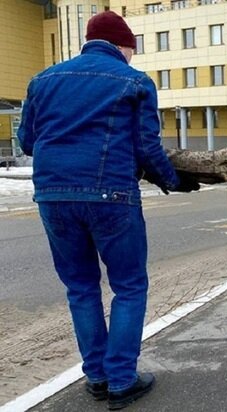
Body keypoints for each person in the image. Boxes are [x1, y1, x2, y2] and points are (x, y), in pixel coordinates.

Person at [17, 11, 199, 410]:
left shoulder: (42, 80)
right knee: (129, 286)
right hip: (110, 195)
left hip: (52, 196)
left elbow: (28, 141)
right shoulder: (134, 81)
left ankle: (97, 376)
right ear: (122, 46)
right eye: (131, 49)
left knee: (80, 289)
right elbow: (146, 147)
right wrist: (174, 180)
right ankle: (121, 379)